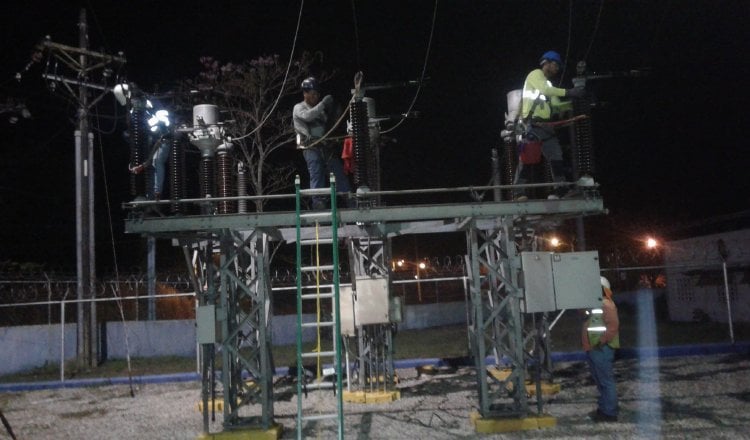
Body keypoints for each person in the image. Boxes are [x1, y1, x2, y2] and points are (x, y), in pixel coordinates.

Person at [514, 50, 584, 200]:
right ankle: (518, 192)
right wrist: (569, 92)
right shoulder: (535, 74)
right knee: (528, 157)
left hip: (546, 127)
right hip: (533, 125)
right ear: (548, 63)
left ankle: (561, 189)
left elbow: (557, 105)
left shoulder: (548, 84)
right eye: (556, 65)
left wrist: (576, 98)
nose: (557, 69)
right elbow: (545, 90)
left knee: (556, 156)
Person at [292, 76, 351, 210]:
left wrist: (335, 112)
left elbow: (328, 127)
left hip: (324, 147)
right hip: (310, 147)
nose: (315, 97)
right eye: (312, 94)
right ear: (305, 93)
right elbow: (308, 116)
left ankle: (350, 199)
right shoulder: (299, 108)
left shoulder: (320, 111)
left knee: (338, 172)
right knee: (316, 174)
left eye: (317, 95)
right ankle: (318, 203)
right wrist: (323, 104)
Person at [582, 276, 620, 422]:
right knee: (600, 380)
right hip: (594, 348)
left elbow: (613, 326)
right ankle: (605, 408)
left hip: (602, 348)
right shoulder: (596, 305)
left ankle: (609, 412)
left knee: (605, 381)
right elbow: (585, 316)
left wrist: (601, 341)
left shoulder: (607, 305)